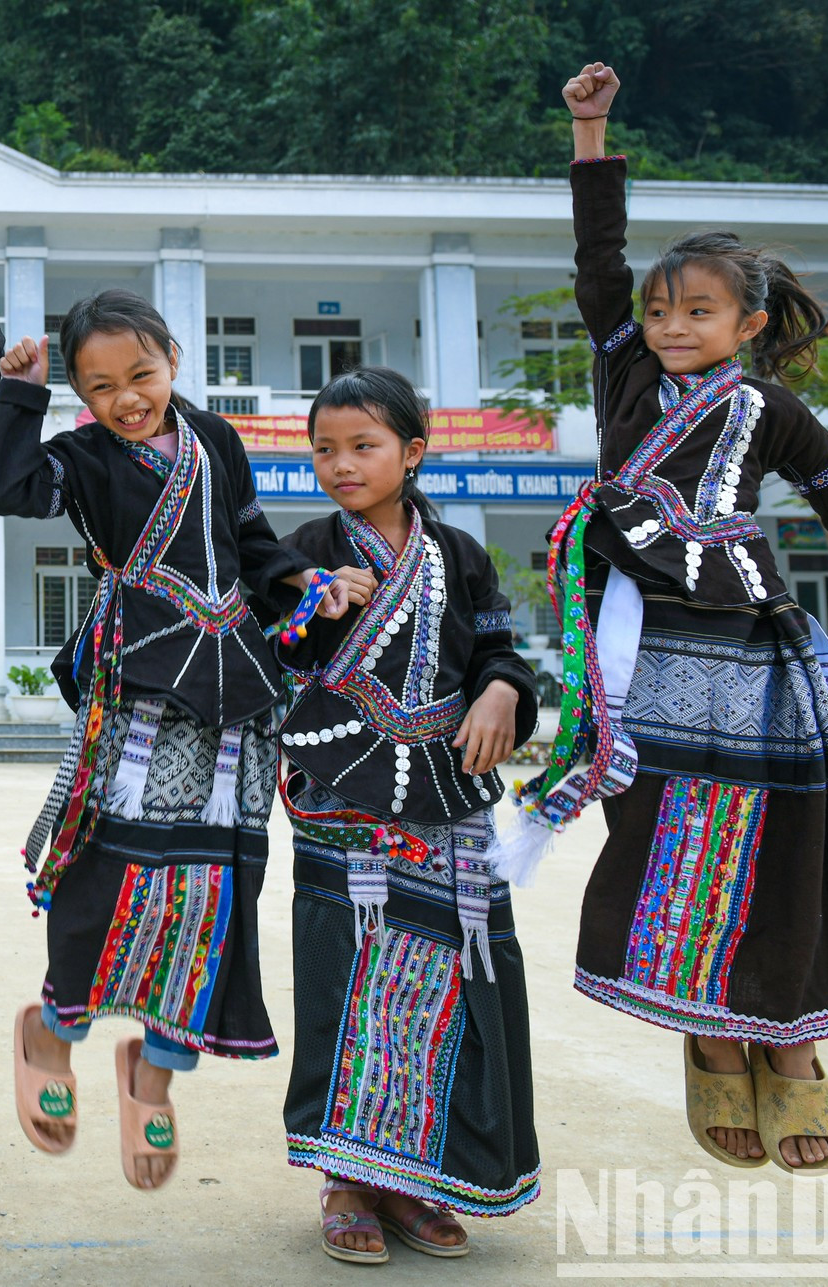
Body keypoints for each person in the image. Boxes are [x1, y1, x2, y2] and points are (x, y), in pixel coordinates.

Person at [495, 64, 828, 1175]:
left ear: (745, 322)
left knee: (779, 841)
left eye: (695, 311)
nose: (668, 326)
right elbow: (596, 260)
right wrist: (590, 130)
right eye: (657, 312)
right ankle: (708, 1039)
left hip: (752, 649)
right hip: (641, 647)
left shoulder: (774, 412)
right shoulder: (620, 373)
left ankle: (788, 1048)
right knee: (668, 839)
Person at [0, 294, 312, 1192]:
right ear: (78, 393)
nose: (126, 399)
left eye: (141, 375)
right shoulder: (81, 458)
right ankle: (54, 1029)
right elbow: (6, 490)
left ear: (172, 356)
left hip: (237, 684)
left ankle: (154, 1071)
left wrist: (306, 585)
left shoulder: (218, 440)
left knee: (213, 885)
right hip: (140, 679)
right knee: (111, 865)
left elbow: (251, 542)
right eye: (99, 387)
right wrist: (20, 398)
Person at [271, 367, 541, 1261]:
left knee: (449, 986)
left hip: (449, 801)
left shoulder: (460, 552)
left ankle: (417, 1179)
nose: (340, 464)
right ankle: (348, 1178)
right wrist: (315, 604)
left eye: (362, 446)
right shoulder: (303, 546)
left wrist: (502, 690)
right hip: (343, 804)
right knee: (346, 983)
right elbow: (273, 655)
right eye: (324, 449)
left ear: (412, 453)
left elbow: (502, 646)